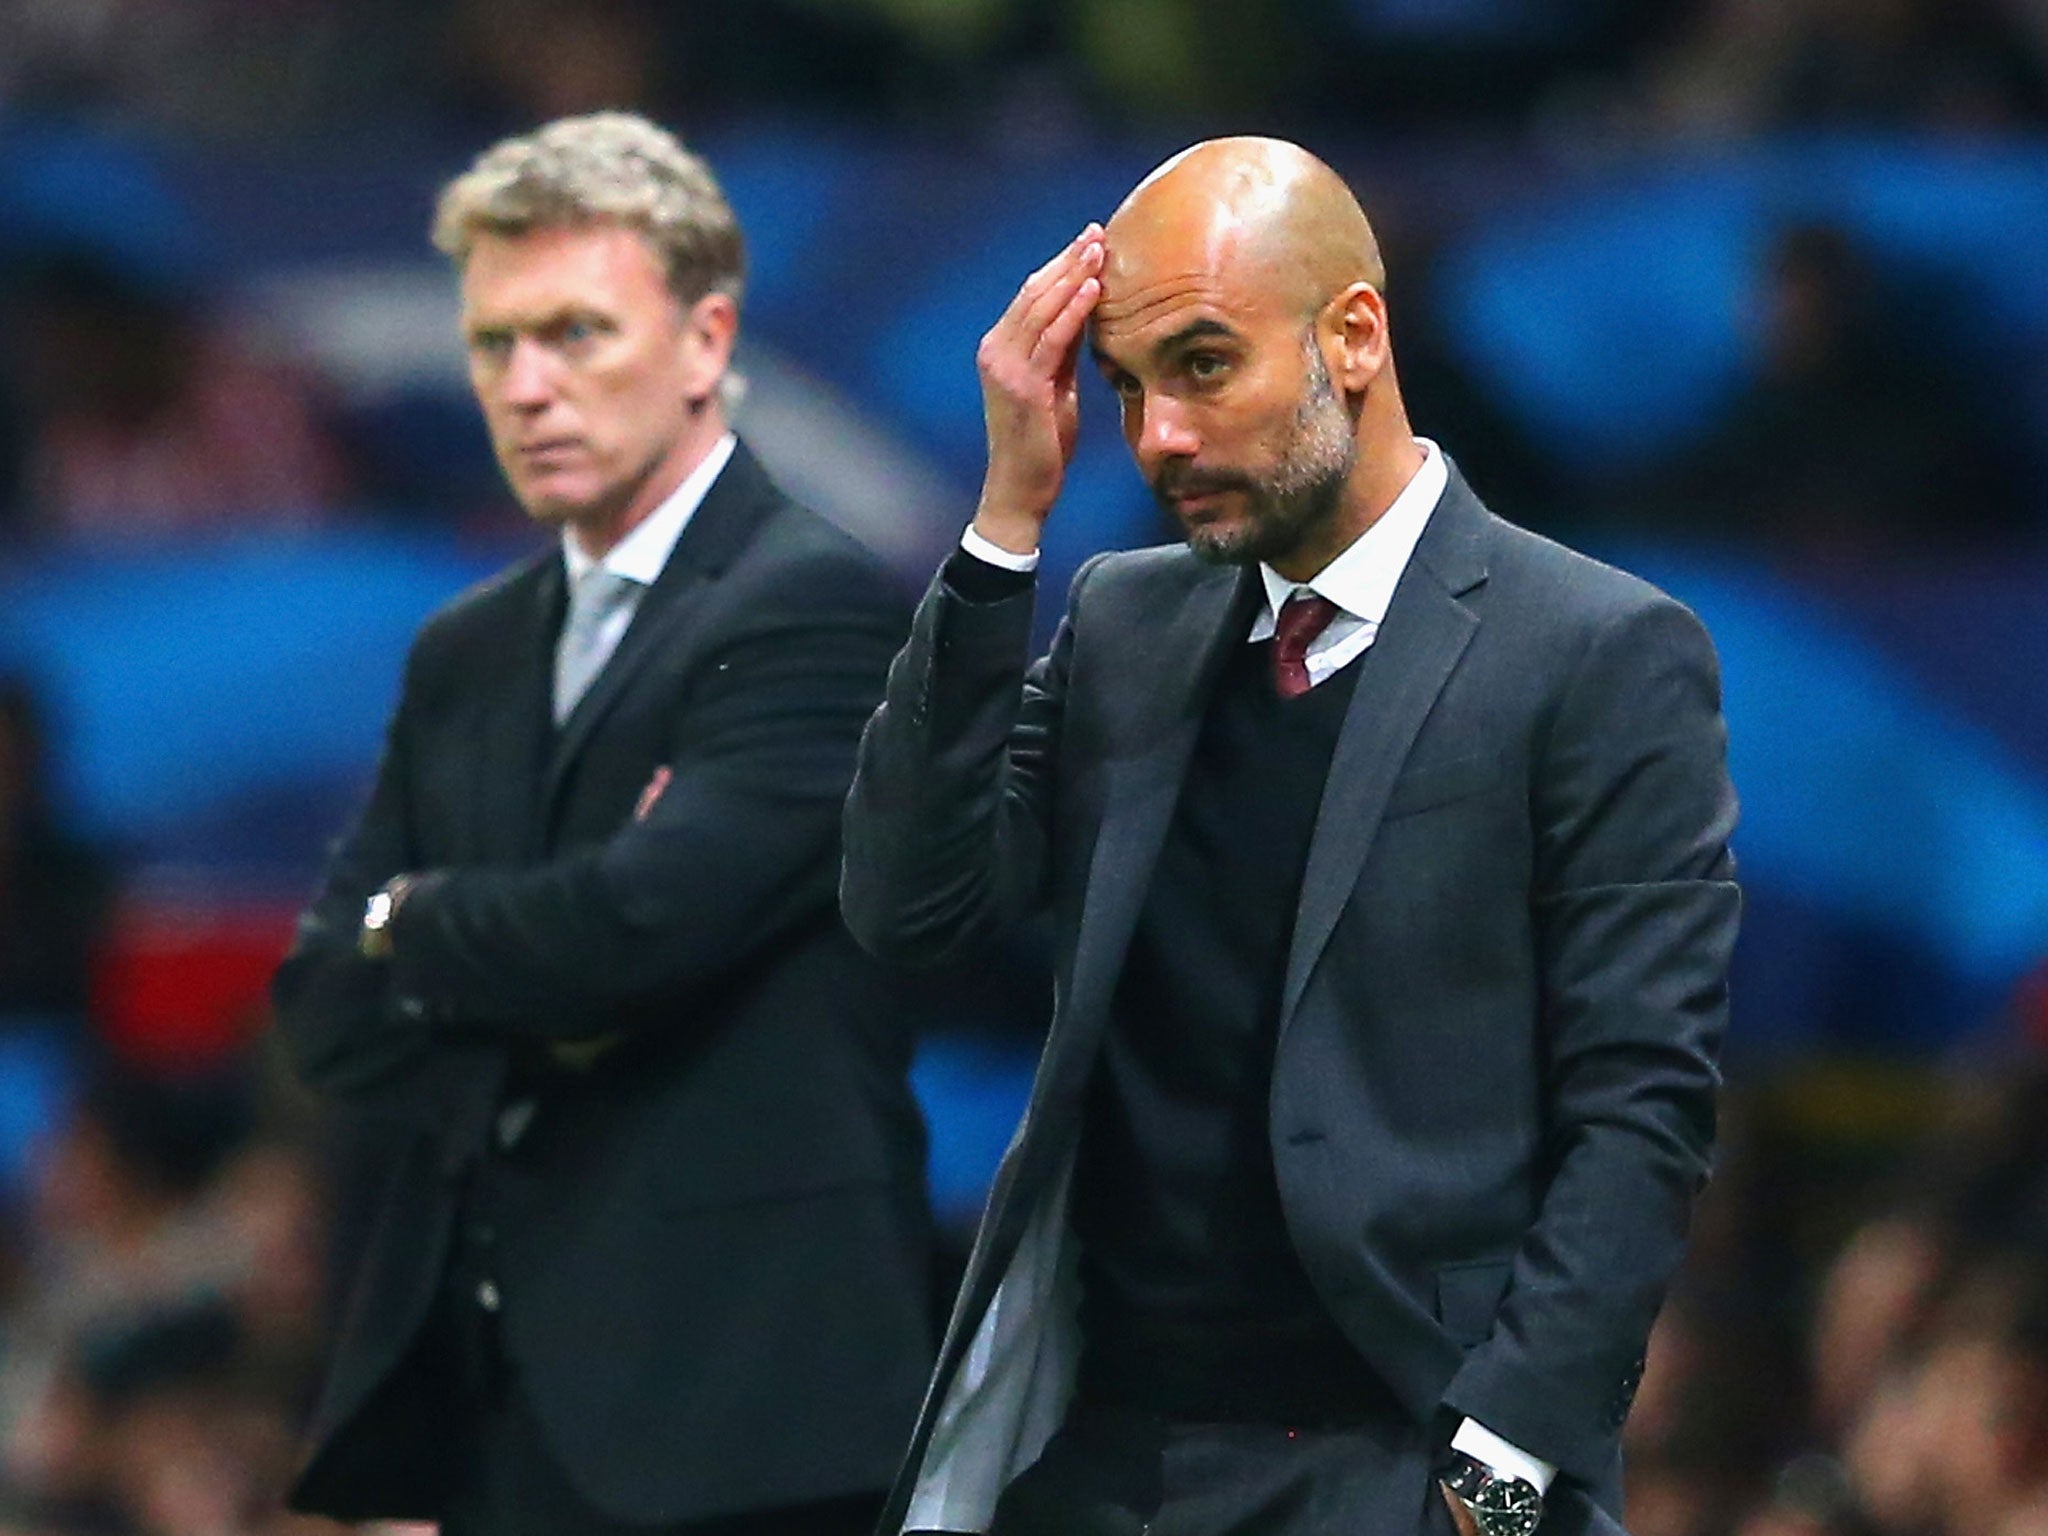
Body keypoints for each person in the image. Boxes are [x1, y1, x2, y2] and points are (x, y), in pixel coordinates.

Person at [842, 137, 1740, 1536]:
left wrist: (1500, 1478)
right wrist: (1003, 528)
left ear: (1356, 336)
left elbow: (1641, 1107)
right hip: (1101, 1459)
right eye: (1128, 389)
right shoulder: (1124, 622)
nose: (1160, 440)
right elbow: (909, 905)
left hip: (1392, 1461)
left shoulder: (1599, 651)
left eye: (1204, 366)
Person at [271, 112, 932, 1536]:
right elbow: (322, 1001)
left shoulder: (809, 603)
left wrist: (424, 924)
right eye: (496, 344)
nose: (527, 386)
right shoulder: (468, 650)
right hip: (510, 1409)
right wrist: (508, 952)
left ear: (705, 342)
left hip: (751, 1410)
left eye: (576, 334)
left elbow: (634, 929)